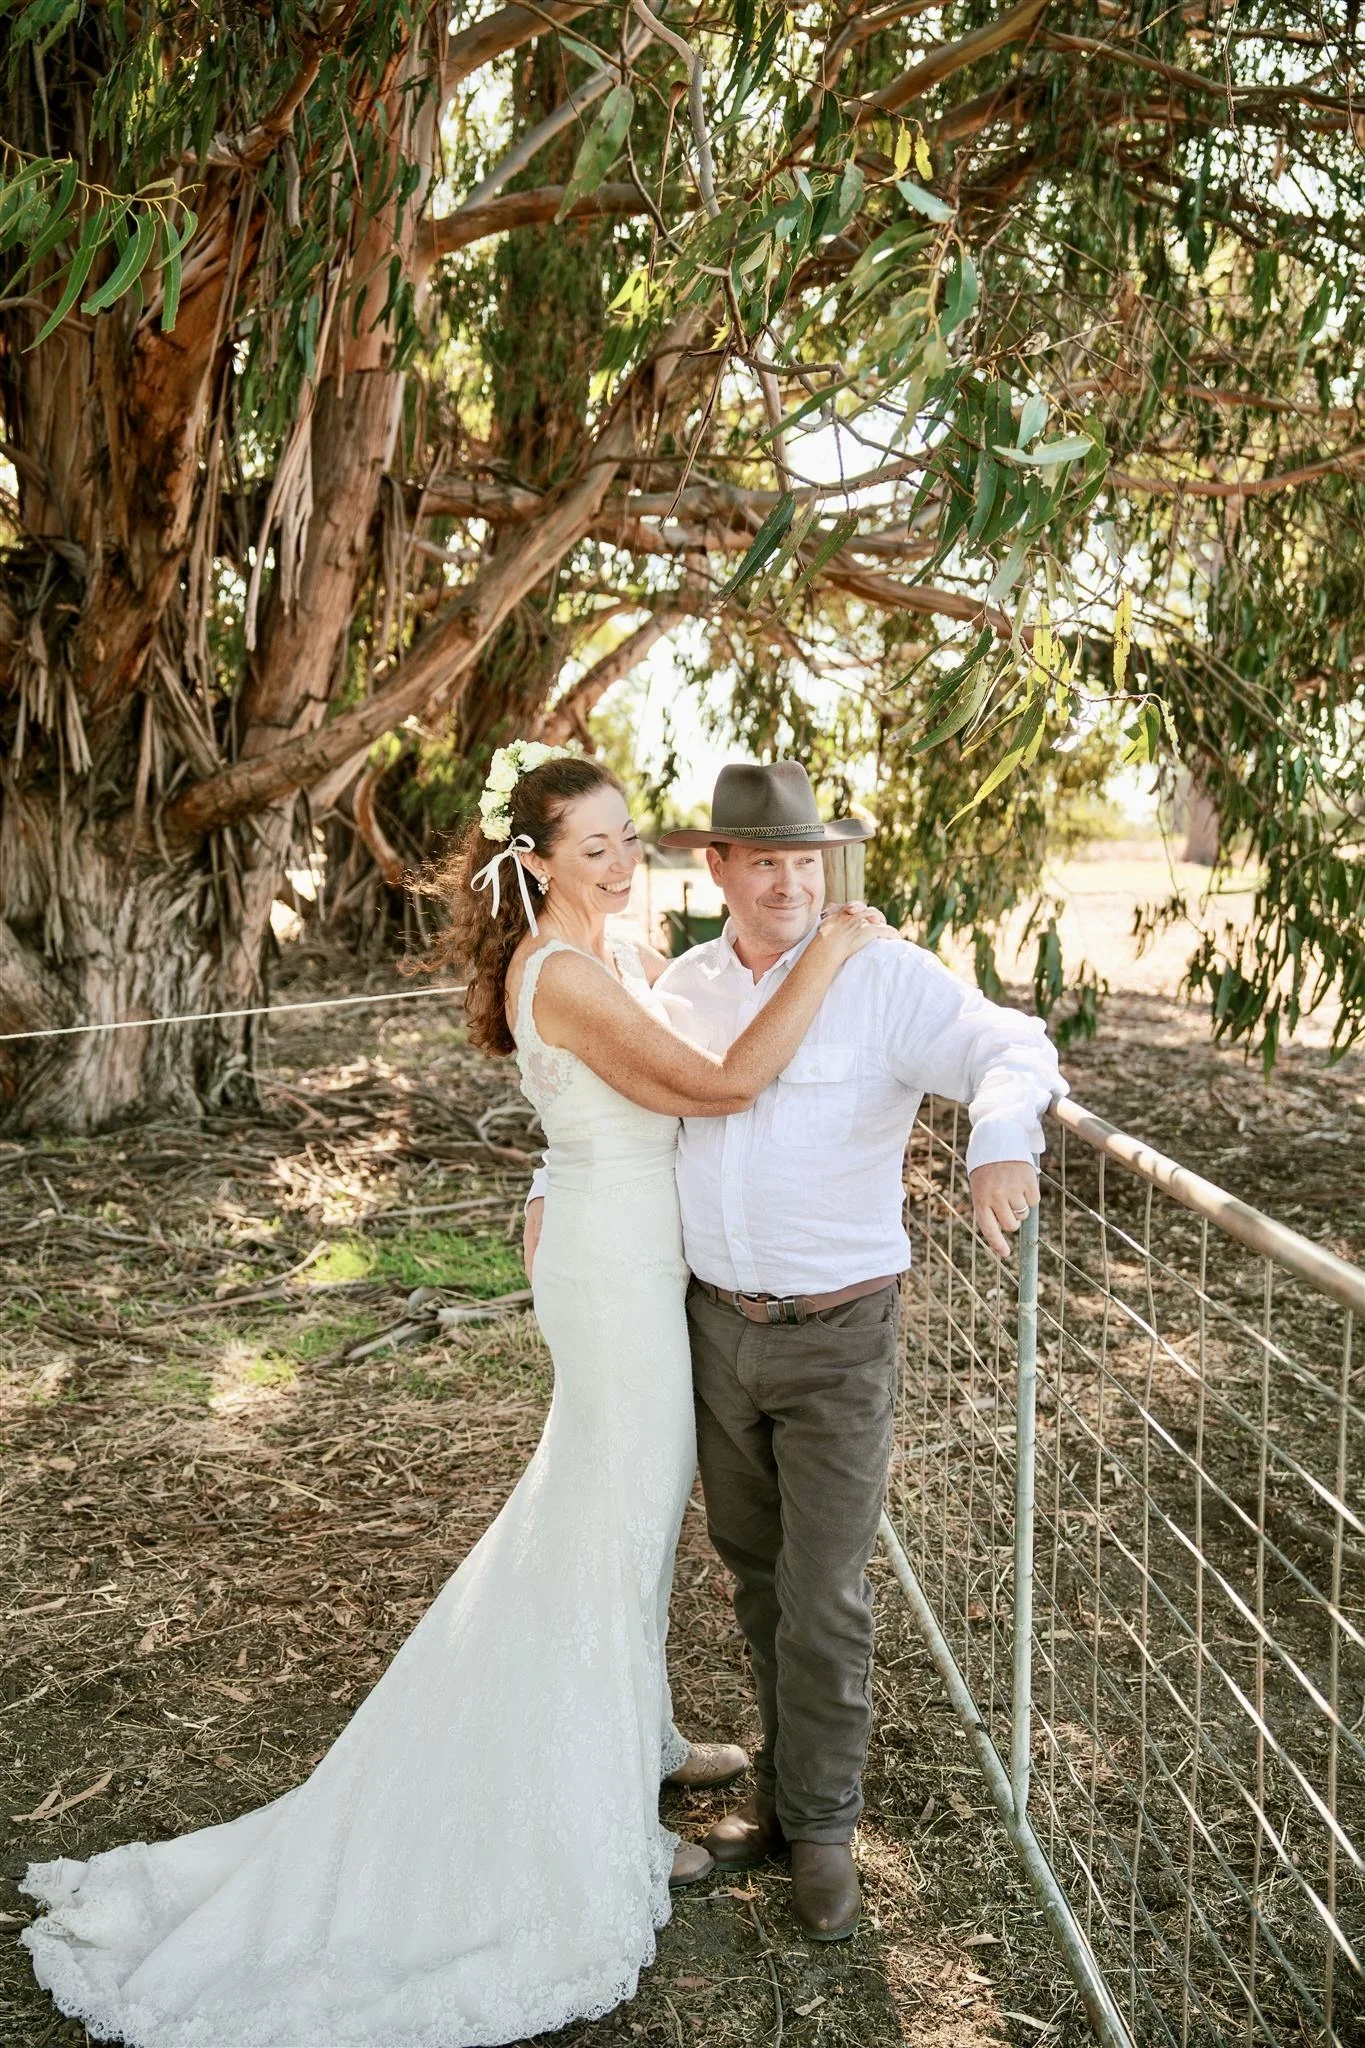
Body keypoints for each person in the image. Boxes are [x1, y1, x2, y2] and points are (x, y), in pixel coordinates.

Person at [20, 747, 882, 2048]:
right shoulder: (571, 973)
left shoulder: (603, 951)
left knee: (622, 1519)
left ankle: (636, 1738)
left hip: (626, 1251)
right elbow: (713, 1088)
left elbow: (622, 1099)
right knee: (611, 1524)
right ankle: (586, 1816)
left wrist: (547, 1171)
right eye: (591, 847)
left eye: (627, 836)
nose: (619, 859)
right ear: (534, 862)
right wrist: (828, 955)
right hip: (614, 1276)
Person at [525, 760, 1067, 1944]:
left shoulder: (881, 974)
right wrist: (545, 1180)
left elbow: (1008, 1041)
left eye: (804, 857)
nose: (787, 880)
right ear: (714, 867)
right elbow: (628, 1103)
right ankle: (778, 1796)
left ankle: (823, 1828)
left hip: (838, 1335)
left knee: (824, 1594)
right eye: (761, 858)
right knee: (756, 1573)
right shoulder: (683, 981)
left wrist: (999, 1137)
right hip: (713, 1329)